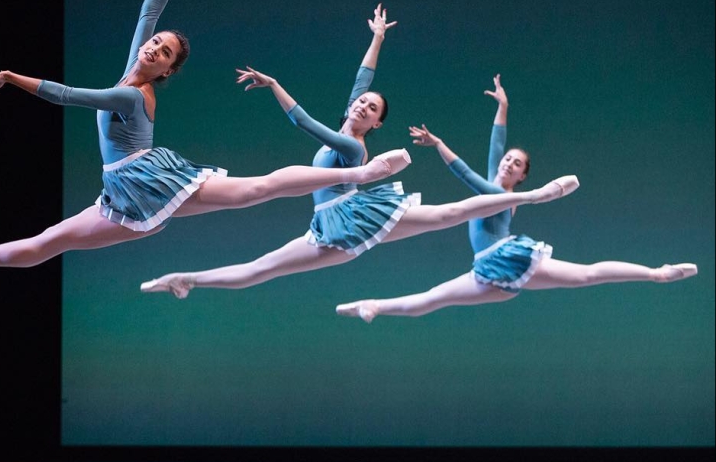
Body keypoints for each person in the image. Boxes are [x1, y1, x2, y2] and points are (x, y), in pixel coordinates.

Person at [0, 0, 411, 281]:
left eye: (164, 51)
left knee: (257, 189)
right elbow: (149, 11)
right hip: (122, 192)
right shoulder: (136, 62)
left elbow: (68, 95)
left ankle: (360, 176)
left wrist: (8, 76)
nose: (154, 46)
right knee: (50, 241)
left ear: (167, 69)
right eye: (156, 43)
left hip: (151, 178)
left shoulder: (132, 94)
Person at [140, 18, 579, 299]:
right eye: (361, 104)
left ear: (375, 126)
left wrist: (275, 85)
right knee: (261, 269)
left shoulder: (351, 146)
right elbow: (361, 79)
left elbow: (308, 124)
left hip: (354, 215)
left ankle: (538, 196)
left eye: (371, 110)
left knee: (448, 214)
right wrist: (377, 37)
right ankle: (188, 278)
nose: (362, 107)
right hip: (327, 228)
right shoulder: (348, 122)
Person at [336, 74, 698, 322]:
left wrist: (440, 145)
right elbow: (496, 144)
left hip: (506, 255)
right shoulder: (497, 180)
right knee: (433, 298)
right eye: (509, 159)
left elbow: (468, 175)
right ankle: (374, 306)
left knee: (585, 275)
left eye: (517, 164)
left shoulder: (501, 195)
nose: (508, 162)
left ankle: (657, 273)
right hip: (488, 269)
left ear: (522, 177)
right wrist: (503, 107)